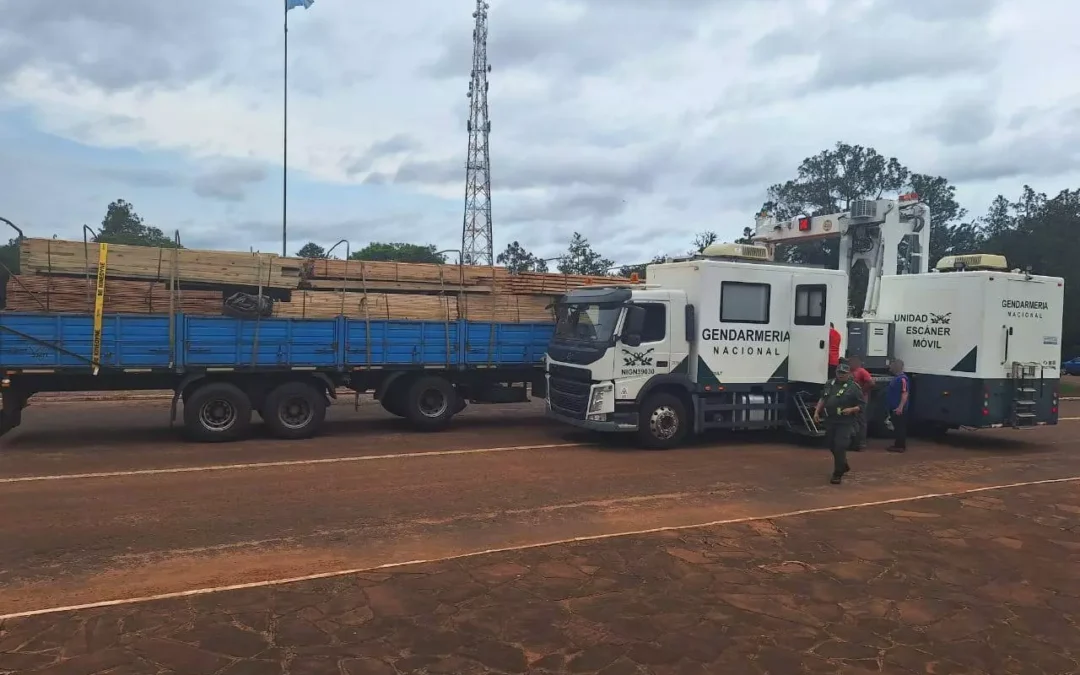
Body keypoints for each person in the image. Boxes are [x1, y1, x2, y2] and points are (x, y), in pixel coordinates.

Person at [813, 359, 865, 484]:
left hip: (845, 421)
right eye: (839, 372)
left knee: (840, 445)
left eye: (844, 373)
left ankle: (837, 473)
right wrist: (816, 412)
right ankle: (843, 464)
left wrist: (852, 409)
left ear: (849, 374)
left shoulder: (854, 387)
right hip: (831, 419)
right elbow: (823, 398)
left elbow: (862, 405)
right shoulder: (829, 384)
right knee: (831, 444)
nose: (841, 375)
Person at [847, 355, 874, 451]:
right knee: (852, 421)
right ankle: (853, 442)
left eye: (851, 361)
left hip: (860, 401)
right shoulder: (849, 372)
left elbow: (871, 383)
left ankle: (861, 443)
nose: (849, 363)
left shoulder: (862, 371)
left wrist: (862, 392)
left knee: (861, 421)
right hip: (851, 400)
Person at [886, 359, 910, 453]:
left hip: (899, 408)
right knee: (897, 427)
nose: (890, 367)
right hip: (895, 407)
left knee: (900, 427)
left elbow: (905, 393)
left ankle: (900, 446)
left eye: (892, 365)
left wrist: (900, 407)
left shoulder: (902, 379)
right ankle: (898, 444)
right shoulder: (897, 378)